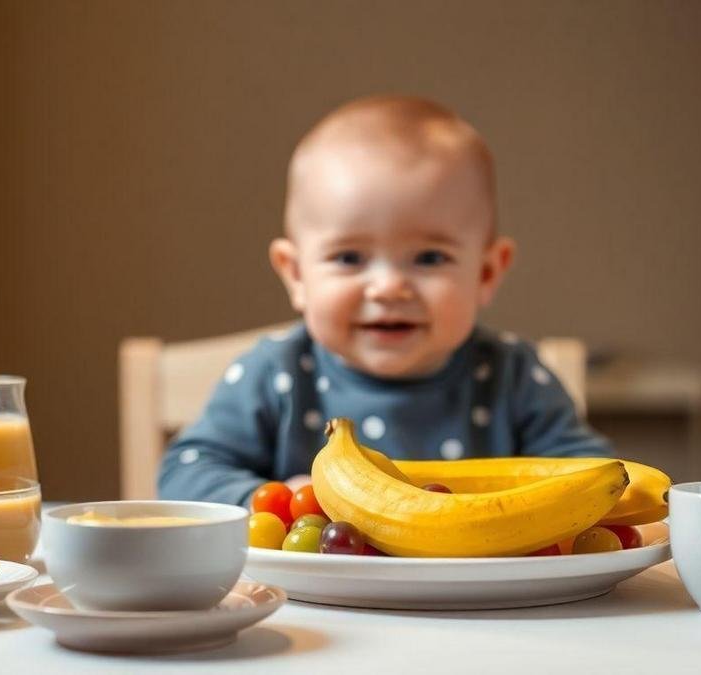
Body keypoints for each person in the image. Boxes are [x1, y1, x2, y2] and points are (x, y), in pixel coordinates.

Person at [157, 95, 610, 506]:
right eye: (349, 257)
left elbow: (596, 480)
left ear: (487, 273)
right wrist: (275, 499)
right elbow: (185, 472)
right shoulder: (276, 376)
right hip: (305, 599)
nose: (389, 287)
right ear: (296, 274)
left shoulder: (513, 378)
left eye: (430, 258)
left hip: (481, 596)